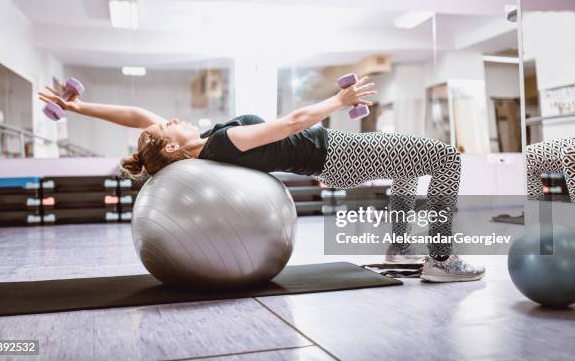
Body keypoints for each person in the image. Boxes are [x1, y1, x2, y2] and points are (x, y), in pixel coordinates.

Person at [39, 78, 485, 283]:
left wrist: (80, 108)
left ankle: (403, 249)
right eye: (165, 127)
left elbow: (138, 117)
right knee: (445, 158)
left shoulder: (206, 142)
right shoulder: (227, 142)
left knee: (413, 167)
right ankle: (442, 259)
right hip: (337, 152)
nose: (168, 119)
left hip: (332, 159)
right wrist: (338, 98)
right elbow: (292, 122)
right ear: (173, 149)